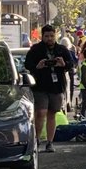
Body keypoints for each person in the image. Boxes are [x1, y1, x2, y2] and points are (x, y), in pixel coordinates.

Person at [25, 24, 77, 153]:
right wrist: (38, 66)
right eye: (47, 36)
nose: (49, 38)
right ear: (42, 36)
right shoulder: (36, 49)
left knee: (52, 114)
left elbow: (71, 64)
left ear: (56, 36)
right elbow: (28, 64)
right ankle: (37, 140)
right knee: (40, 113)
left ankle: (49, 142)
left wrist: (63, 64)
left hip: (57, 86)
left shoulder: (62, 49)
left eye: (52, 36)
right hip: (40, 86)